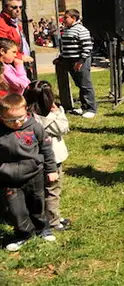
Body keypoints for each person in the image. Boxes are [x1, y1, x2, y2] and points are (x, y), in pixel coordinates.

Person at [0, 93, 58, 251]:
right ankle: (23, 234)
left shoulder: (35, 127)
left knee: (37, 204)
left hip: (34, 175)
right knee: (16, 210)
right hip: (8, 179)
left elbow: (46, 149)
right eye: (10, 120)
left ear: (26, 111)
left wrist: (51, 169)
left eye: (20, 117)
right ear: (2, 116)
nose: (17, 122)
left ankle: (42, 228)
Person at [24, 81, 71, 232]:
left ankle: (41, 216)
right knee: (52, 191)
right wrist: (58, 112)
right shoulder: (48, 118)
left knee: (39, 191)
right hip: (52, 161)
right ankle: (53, 221)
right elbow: (64, 128)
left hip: (33, 160)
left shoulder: (26, 116)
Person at [54, 9, 96, 118]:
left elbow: (87, 47)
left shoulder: (81, 30)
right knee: (79, 84)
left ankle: (91, 108)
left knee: (85, 84)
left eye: (66, 17)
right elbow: (66, 48)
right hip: (69, 61)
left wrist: (80, 61)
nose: (63, 20)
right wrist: (61, 58)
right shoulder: (67, 30)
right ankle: (84, 106)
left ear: (74, 18)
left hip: (80, 61)